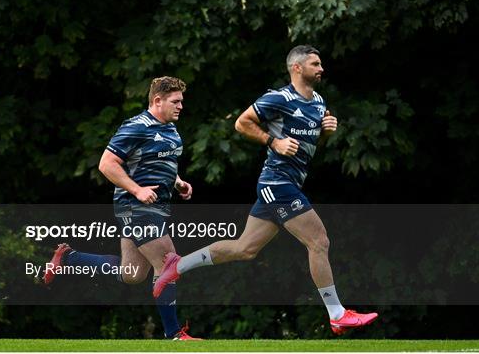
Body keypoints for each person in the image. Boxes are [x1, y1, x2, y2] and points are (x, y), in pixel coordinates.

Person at [153, 46, 378, 335]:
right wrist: (274, 142)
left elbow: (308, 149)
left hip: (288, 183)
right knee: (318, 241)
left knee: (245, 249)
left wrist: (325, 132)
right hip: (277, 183)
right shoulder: (279, 98)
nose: (321, 68)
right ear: (296, 68)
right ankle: (336, 314)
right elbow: (241, 122)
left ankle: (177, 265)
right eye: (315, 63)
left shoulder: (319, 103)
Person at [43, 76, 200, 340]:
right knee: (168, 261)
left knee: (132, 274)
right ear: (157, 100)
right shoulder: (135, 127)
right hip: (135, 206)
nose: (181, 106)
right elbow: (107, 164)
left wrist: (178, 182)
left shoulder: (171, 129)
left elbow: (158, 163)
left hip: (156, 207)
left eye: (181, 101)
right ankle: (174, 334)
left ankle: (69, 258)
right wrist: (137, 190)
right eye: (175, 101)